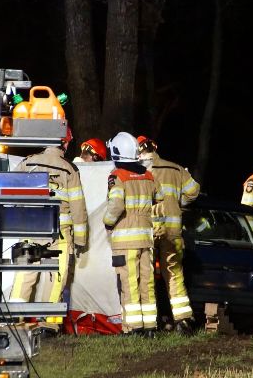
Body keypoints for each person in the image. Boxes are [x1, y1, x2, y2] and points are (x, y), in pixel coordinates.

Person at [9, 126, 88, 330]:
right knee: (56, 277)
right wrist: (80, 240)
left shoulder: (28, 162)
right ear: (66, 143)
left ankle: (14, 320)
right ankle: (49, 324)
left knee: (24, 275)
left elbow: (9, 192)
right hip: (59, 234)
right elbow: (78, 208)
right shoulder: (69, 169)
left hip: (29, 229)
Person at [137, 135, 200, 334]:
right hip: (172, 232)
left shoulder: (135, 171)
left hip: (147, 231)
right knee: (174, 274)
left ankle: (150, 323)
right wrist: (176, 203)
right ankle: (183, 321)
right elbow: (193, 192)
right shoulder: (175, 169)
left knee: (145, 276)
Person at [103, 132, 164, 337]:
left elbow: (116, 205)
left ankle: (132, 328)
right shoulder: (148, 175)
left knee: (128, 283)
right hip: (146, 240)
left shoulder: (117, 175)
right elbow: (160, 196)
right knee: (146, 282)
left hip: (125, 241)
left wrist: (108, 222)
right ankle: (150, 327)